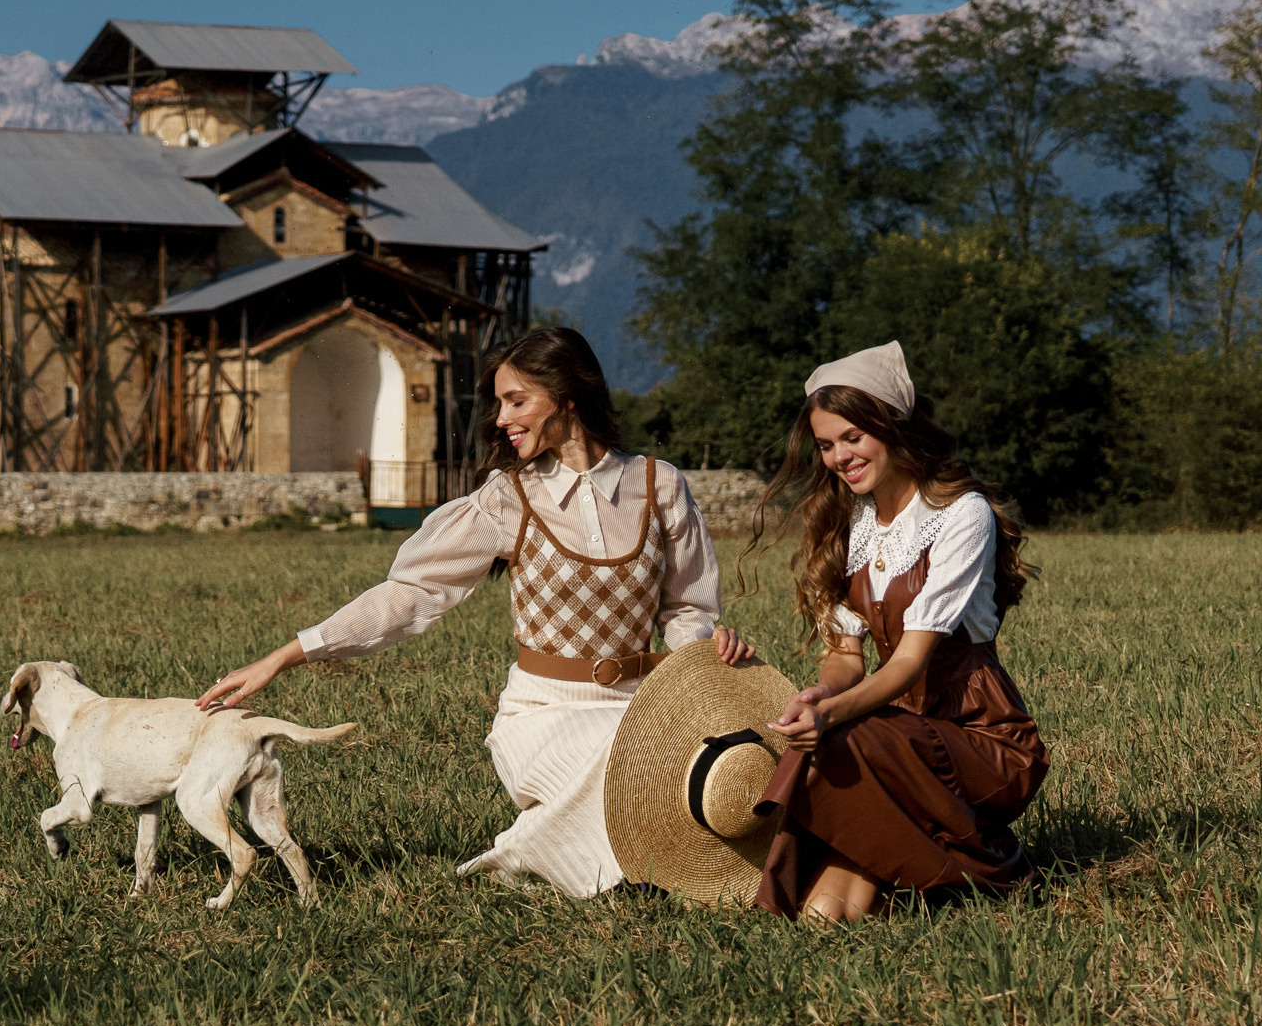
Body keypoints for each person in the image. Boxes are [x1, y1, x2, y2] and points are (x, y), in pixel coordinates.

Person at [196, 327, 751, 897]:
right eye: (499, 403)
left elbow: (687, 608)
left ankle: (610, 857)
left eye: (517, 401)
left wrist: (702, 677)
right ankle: (580, 866)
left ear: (567, 396)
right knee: (621, 764)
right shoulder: (508, 497)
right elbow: (408, 595)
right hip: (544, 712)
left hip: (641, 706)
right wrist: (284, 656)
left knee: (706, 770)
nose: (501, 419)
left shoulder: (659, 485)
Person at [750, 342, 1049, 921]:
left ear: (891, 426)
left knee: (845, 738)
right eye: (826, 445)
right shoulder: (852, 521)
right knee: (823, 910)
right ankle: (874, 886)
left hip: (982, 740)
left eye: (853, 437)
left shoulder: (960, 514)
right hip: (894, 732)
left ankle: (997, 866)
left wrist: (832, 717)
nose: (839, 457)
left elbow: (909, 664)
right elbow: (846, 656)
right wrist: (822, 693)